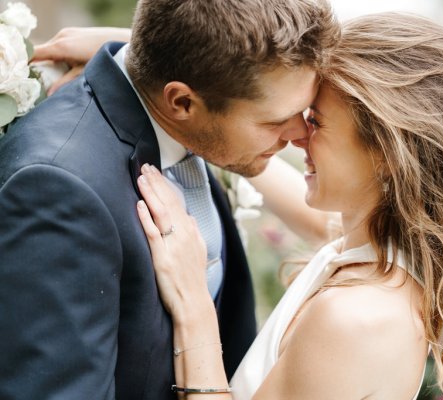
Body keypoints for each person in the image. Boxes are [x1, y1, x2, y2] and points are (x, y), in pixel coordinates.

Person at [134, 12, 443, 400]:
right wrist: (146, 63)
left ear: (386, 155)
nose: (296, 137)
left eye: (316, 122)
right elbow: (278, 186)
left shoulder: (354, 319)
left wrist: (192, 302)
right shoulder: (371, 251)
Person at [0, 0, 338, 399]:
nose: (300, 135)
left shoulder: (189, 120)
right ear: (181, 102)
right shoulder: (59, 189)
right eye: (275, 119)